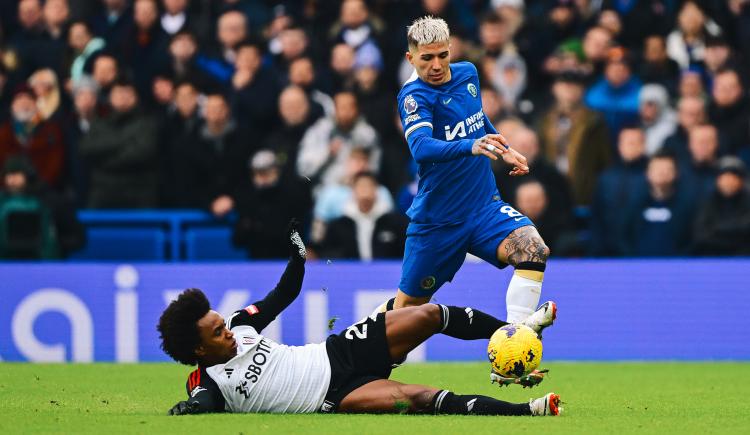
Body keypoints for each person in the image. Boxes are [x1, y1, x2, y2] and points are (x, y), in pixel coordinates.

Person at [158, 221, 561, 416]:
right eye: (217, 332)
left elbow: (283, 294)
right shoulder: (207, 381)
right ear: (198, 349)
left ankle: (517, 333)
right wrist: (186, 409)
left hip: (339, 352)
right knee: (421, 399)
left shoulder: (240, 325)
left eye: (222, 323)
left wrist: (298, 254)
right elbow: (201, 402)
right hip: (336, 397)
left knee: (428, 314)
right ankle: (529, 411)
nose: (227, 331)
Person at [385, 16, 550, 325]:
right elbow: (421, 147)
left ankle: (516, 339)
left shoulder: (468, 74)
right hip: (439, 221)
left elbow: (476, 119)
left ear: (451, 50)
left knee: (533, 249)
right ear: (411, 58)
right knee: (405, 315)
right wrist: (471, 146)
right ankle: (359, 360)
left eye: (442, 55)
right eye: (427, 58)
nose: (436, 65)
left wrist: (503, 148)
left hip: (484, 206)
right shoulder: (414, 97)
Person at [692, 157, 750, 256]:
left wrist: (717, 230)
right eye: (725, 176)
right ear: (717, 180)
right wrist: (734, 232)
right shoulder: (708, 201)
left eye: (733, 177)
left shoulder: (747, 201)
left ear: (741, 181)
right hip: (713, 258)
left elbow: (747, 229)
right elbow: (700, 234)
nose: (729, 181)